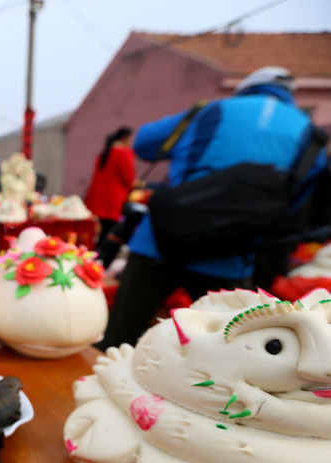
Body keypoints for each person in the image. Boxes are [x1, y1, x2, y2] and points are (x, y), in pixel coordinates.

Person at [97, 67, 329, 350]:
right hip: (230, 255)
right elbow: (296, 204)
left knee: (118, 341)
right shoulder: (311, 137)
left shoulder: (210, 111)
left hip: (159, 243)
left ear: (246, 88)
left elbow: (145, 144)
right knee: (221, 353)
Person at [84, 126, 136, 238]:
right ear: (124, 138)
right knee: (108, 235)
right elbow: (128, 178)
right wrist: (134, 187)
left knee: (97, 234)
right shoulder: (124, 153)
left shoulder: (105, 152)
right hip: (113, 200)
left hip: (97, 199)